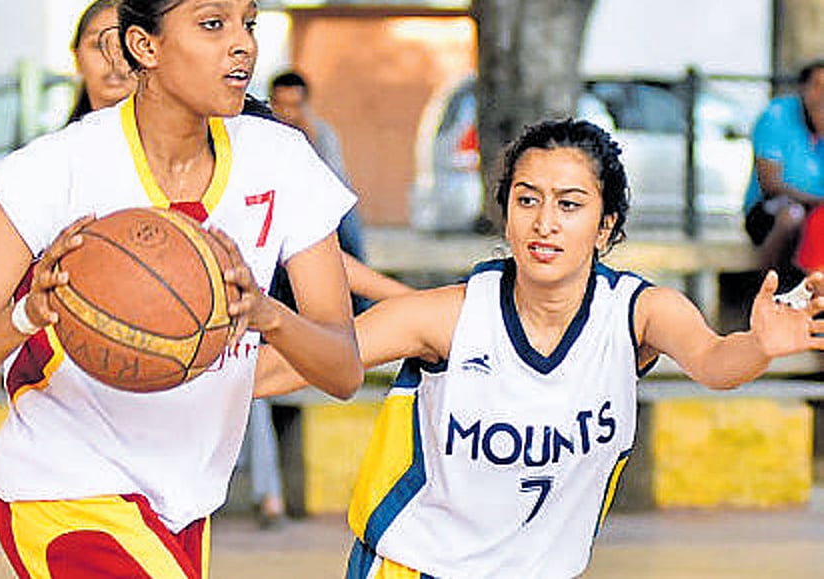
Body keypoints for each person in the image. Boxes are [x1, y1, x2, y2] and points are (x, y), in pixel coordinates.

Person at [0, 0, 362, 579]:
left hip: (185, 505)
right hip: (63, 491)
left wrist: (268, 314)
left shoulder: (282, 160)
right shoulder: (56, 169)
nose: (242, 43)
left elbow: (343, 369)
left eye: (248, 23)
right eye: (212, 24)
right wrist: (27, 314)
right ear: (144, 45)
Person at [256, 117, 824, 578]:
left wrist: (759, 346)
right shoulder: (448, 316)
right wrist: (203, 358)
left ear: (606, 226)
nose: (545, 222)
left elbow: (713, 362)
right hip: (417, 567)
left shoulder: (638, 313)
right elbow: (303, 364)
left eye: (570, 205)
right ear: (506, 216)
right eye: (527, 201)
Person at [0, 0, 136, 281]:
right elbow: (1, 250)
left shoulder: (179, 152)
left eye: (126, 45)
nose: (114, 60)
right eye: (99, 44)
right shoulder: (50, 159)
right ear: (76, 57)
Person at [268, 70, 367, 269]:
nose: (287, 113)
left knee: (346, 213)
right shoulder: (264, 131)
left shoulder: (321, 133)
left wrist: (309, 138)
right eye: (281, 105)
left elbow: (334, 181)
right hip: (275, 202)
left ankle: (360, 288)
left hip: (312, 202)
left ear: (305, 104)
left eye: (294, 105)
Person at [743, 59, 824, 283]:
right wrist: (817, 200)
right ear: (803, 88)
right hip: (770, 211)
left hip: (818, 214)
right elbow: (770, 184)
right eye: (817, 86)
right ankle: (766, 289)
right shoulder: (777, 116)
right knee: (792, 216)